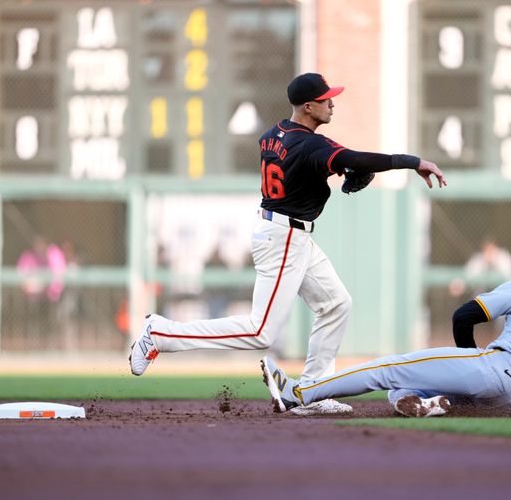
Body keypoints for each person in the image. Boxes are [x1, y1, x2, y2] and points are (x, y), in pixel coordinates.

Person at [130, 72, 447, 416]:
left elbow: (308, 166)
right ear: (308, 106)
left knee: (336, 304)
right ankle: (161, 333)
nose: (332, 104)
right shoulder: (312, 145)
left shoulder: (272, 135)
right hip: (283, 238)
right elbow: (354, 159)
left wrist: (332, 171)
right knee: (260, 332)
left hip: (291, 234)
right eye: (326, 99)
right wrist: (412, 162)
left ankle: (312, 391)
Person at [261, 257, 511, 418]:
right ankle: (429, 405)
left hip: (495, 369)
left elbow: (465, 314)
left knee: (387, 366)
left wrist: (469, 365)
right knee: (405, 386)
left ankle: (298, 393)